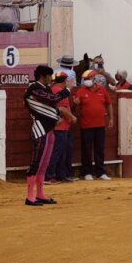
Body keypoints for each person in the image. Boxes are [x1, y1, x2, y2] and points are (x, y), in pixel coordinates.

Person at [23, 65, 73, 206]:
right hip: (40, 130)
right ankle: (30, 197)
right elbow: (52, 99)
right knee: (36, 163)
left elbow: (52, 105)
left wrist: (56, 117)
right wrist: (67, 90)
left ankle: (40, 194)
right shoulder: (34, 88)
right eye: (49, 76)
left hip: (49, 129)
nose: (51, 78)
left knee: (44, 164)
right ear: (42, 76)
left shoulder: (44, 88)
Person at [74, 69, 113, 181]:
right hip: (86, 125)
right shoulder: (80, 91)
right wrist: (75, 104)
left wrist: (111, 118)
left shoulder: (102, 89)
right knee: (86, 149)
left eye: (88, 78)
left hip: (100, 124)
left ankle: (101, 172)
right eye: (85, 79)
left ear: (94, 79)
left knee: (99, 149)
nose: (86, 81)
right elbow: (73, 107)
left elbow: (109, 104)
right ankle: (87, 172)